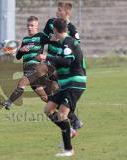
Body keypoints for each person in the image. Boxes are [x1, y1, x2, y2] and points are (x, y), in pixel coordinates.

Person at [36, 18, 86, 157]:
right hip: (65, 85)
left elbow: (66, 61)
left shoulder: (68, 42)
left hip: (74, 83)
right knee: (48, 109)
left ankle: (68, 149)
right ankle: (69, 131)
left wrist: (46, 57)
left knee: (62, 114)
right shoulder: (63, 44)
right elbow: (59, 63)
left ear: (55, 30)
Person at [0, 16, 59, 110]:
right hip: (27, 69)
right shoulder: (25, 39)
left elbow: (52, 39)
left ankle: (9, 102)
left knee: (22, 82)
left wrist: (57, 36)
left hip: (35, 68)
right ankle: (66, 111)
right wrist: (21, 51)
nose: (29, 27)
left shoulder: (40, 36)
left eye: (32, 25)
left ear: (37, 26)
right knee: (45, 98)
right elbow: (18, 56)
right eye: (28, 25)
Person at [43, 1, 83, 131]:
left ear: (67, 12)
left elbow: (76, 48)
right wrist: (50, 39)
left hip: (62, 68)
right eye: (57, 9)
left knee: (55, 96)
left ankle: (71, 123)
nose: (57, 12)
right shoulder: (51, 23)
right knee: (51, 97)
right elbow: (42, 39)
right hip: (50, 64)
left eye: (60, 10)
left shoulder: (71, 29)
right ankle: (72, 122)